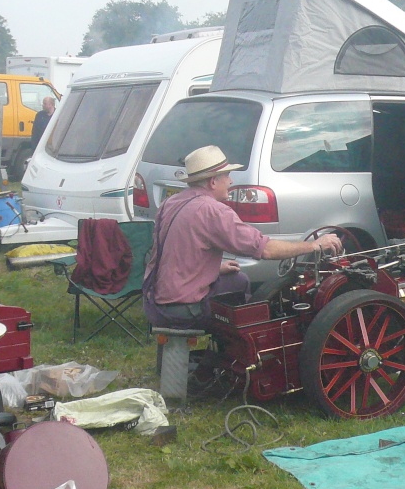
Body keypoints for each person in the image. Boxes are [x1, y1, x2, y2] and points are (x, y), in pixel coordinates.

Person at [143, 145, 343, 394]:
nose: (231, 180)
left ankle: (217, 360)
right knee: (248, 312)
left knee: (237, 280)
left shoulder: (171, 202)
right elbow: (264, 249)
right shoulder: (212, 211)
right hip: (181, 309)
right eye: (227, 175)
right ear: (213, 181)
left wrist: (213, 269)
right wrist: (313, 245)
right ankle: (236, 359)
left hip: (153, 301)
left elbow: (174, 254)